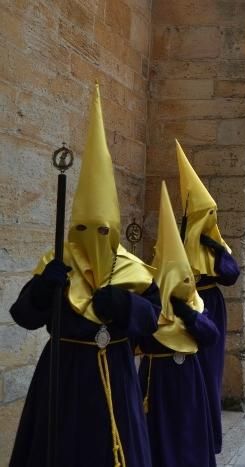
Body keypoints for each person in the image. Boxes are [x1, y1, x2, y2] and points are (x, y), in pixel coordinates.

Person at [10, 84, 160, 467]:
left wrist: (126, 304)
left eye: (101, 231)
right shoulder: (55, 262)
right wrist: (45, 289)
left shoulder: (132, 270)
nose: (91, 240)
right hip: (62, 373)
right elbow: (24, 316)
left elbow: (155, 320)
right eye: (82, 230)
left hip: (116, 369)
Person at [138, 182, 219, 467]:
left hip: (189, 378)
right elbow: (140, 337)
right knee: (159, 432)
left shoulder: (195, 303)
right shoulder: (149, 302)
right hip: (156, 378)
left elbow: (210, 335)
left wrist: (187, 314)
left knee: (189, 431)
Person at [176, 141, 240, 454]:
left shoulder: (216, 245)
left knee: (209, 369)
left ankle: (208, 434)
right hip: (182, 306)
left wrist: (215, 249)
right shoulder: (176, 236)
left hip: (210, 305)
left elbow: (230, 275)